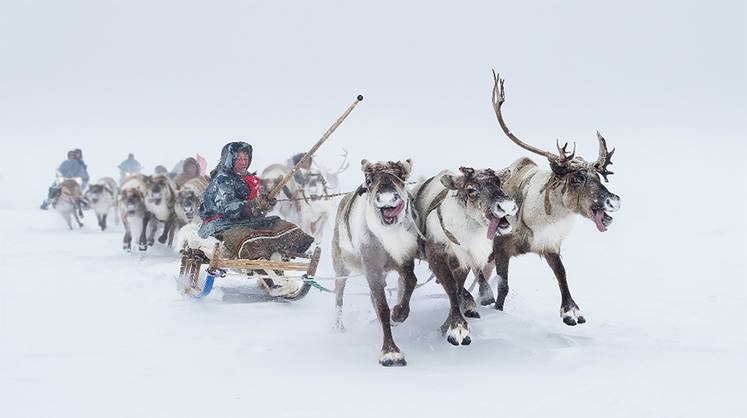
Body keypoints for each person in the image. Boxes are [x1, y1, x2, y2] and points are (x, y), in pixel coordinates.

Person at [198, 141, 314, 260]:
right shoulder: (221, 180)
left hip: (249, 222)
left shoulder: (249, 179)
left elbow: (257, 209)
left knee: (287, 229)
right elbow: (228, 209)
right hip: (223, 225)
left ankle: (294, 252)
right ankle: (264, 258)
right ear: (229, 159)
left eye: (246, 158)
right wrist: (254, 204)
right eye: (239, 159)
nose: (243, 162)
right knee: (251, 241)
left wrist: (265, 203)